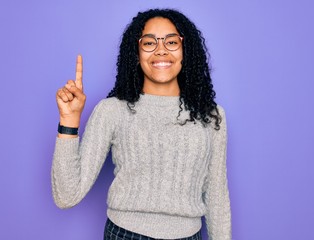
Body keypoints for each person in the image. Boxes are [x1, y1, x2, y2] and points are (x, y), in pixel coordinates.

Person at [52, 8, 231, 240]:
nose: (161, 50)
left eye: (171, 42)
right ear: (136, 53)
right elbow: (66, 195)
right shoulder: (112, 110)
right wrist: (69, 120)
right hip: (125, 235)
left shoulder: (211, 115)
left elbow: (217, 196)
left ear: (185, 50)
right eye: (149, 43)